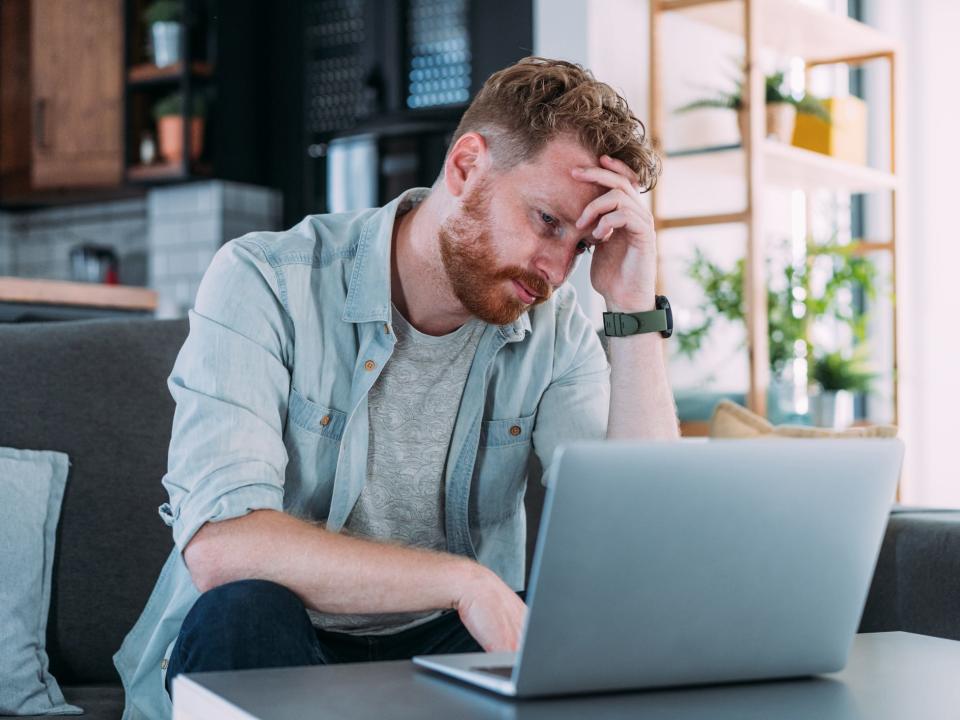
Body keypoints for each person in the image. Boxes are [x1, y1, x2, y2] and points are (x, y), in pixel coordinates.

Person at [113, 56, 679, 720]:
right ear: (467, 166)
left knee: (583, 640)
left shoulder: (557, 334)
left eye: (580, 247)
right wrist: (466, 585)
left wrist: (633, 308)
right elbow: (223, 547)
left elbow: (642, 553)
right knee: (246, 610)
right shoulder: (263, 279)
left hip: (441, 650)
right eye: (547, 221)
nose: (555, 270)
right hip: (281, 639)